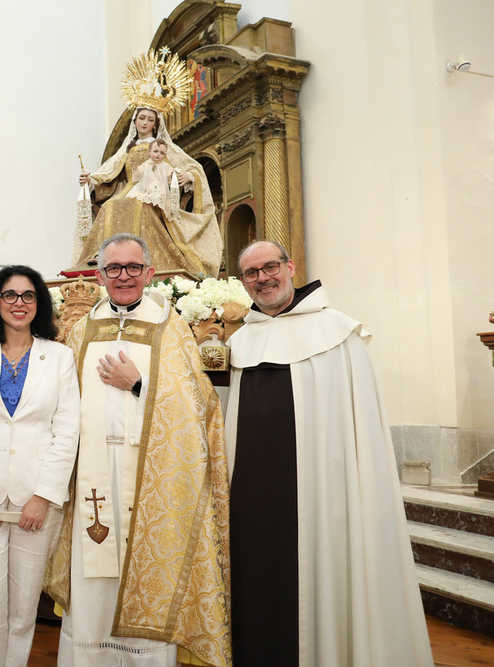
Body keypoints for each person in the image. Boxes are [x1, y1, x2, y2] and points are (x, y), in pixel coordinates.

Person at [225, 240, 433, 666]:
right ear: (243, 282)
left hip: (322, 498)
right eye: (251, 273)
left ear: (290, 267)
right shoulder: (239, 341)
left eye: (270, 267)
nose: (263, 278)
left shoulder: (337, 333)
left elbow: (358, 430)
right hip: (250, 504)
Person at [46, 233, 231, 667]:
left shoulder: (171, 326)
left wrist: (138, 385)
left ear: (149, 273)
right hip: (90, 472)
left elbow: (198, 406)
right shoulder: (80, 330)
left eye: (132, 268)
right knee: (92, 577)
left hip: (149, 475)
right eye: (114, 268)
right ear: (99, 275)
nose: (123, 277)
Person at [0, 266, 80, 666]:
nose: (19, 303)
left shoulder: (59, 356)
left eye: (28, 295)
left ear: (39, 303)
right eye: (10, 295)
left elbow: (67, 430)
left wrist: (43, 497)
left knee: (24, 602)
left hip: (36, 497)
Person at [74, 107, 222, 277]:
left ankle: (142, 259)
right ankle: (105, 257)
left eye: (150, 119)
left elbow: (194, 168)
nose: (145, 123)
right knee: (109, 206)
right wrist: (90, 180)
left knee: (140, 206)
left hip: (155, 193)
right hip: (132, 190)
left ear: (155, 124)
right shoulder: (126, 149)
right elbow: (108, 173)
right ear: (135, 121)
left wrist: (189, 175)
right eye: (141, 118)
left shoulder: (164, 147)